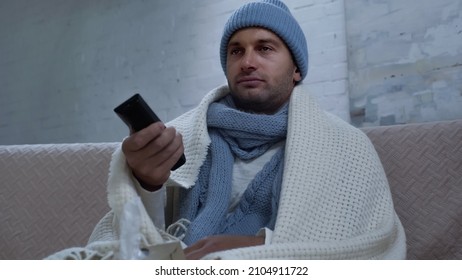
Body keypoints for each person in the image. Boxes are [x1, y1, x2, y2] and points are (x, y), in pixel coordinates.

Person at [48, 0, 406, 260]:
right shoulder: (184, 136)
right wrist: (148, 185)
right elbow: (146, 241)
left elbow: (371, 244)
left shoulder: (343, 145)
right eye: (236, 51)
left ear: (296, 69)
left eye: (265, 48)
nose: (247, 61)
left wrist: (257, 249)